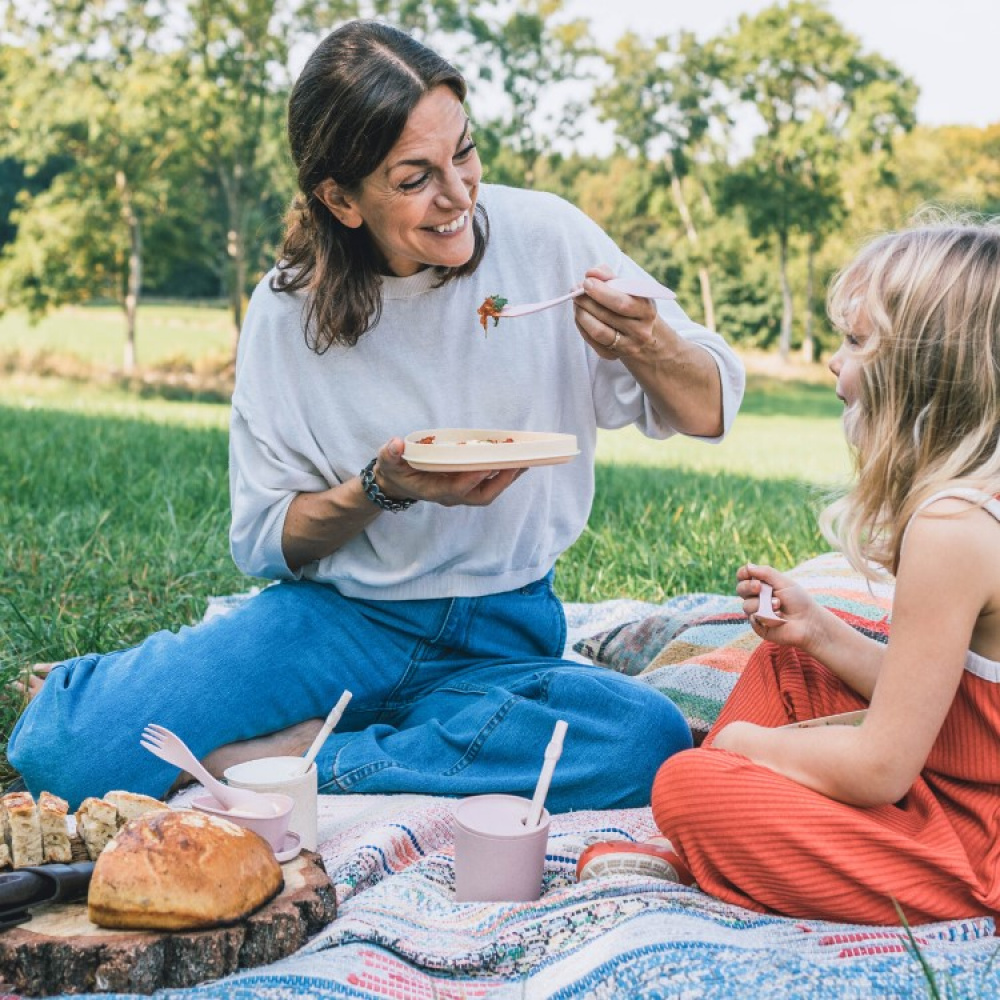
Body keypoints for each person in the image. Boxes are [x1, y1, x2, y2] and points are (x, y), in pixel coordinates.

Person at [8, 20, 744, 813]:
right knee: (67, 749)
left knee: (641, 739)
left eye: (463, 151)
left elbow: (708, 408)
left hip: (504, 632)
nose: (459, 195)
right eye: (414, 177)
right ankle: (417, 736)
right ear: (340, 197)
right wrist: (381, 489)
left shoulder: (547, 240)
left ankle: (293, 757)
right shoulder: (287, 311)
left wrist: (651, 344)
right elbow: (267, 542)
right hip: (336, 623)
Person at [577, 218, 1000, 927]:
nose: (836, 362)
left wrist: (749, 749)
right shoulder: (971, 508)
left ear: (929, 369)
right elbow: (949, 700)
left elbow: (883, 767)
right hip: (971, 770)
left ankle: (725, 835)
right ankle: (739, 831)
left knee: (688, 785)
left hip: (975, 849)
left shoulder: (953, 529)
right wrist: (821, 634)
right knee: (786, 667)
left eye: (858, 342)